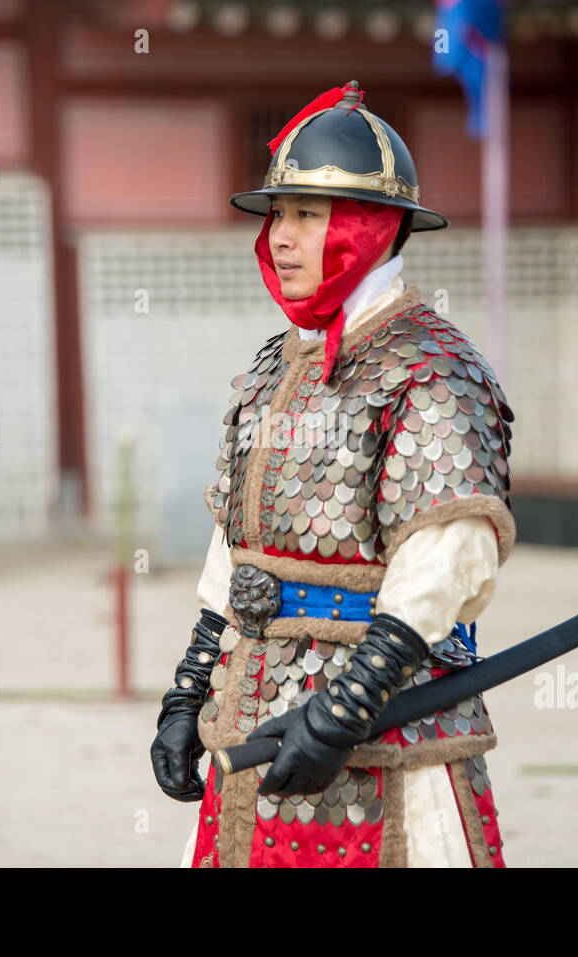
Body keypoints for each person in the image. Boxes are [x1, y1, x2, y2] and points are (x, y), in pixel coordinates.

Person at [150, 81, 516, 868]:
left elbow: (446, 559)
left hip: (390, 733)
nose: (280, 237)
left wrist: (347, 705)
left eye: (305, 216)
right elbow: (235, 553)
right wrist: (187, 690)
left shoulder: (434, 368)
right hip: (247, 715)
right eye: (277, 215)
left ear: (370, 226)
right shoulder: (274, 364)